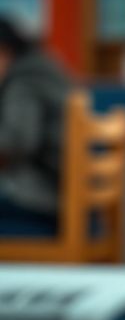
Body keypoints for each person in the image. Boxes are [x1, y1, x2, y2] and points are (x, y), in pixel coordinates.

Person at [0, 16, 73, 232]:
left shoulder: (23, 81)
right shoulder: (43, 68)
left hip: (43, 193)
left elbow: (16, 142)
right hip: (63, 189)